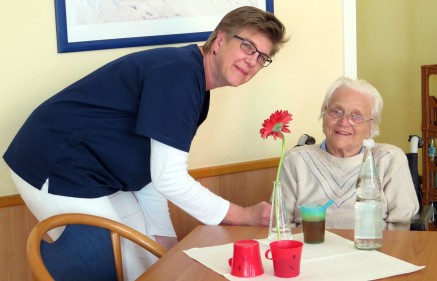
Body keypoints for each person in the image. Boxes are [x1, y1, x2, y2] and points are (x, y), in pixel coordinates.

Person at [3, 6, 287, 280]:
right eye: (247, 47)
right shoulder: (180, 74)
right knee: (122, 265)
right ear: (220, 40)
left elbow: (154, 173)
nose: (252, 61)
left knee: (151, 261)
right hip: (54, 164)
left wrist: (165, 238)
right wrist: (240, 214)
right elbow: (169, 178)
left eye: (262, 57)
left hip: (99, 173)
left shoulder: (195, 86)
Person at [280, 77, 419, 231]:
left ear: (370, 127)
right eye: (336, 111)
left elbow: (403, 225)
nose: (344, 122)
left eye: (357, 116)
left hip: (372, 249)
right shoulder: (295, 160)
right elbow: (282, 224)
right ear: (324, 116)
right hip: (310, 249)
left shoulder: (389, 159)